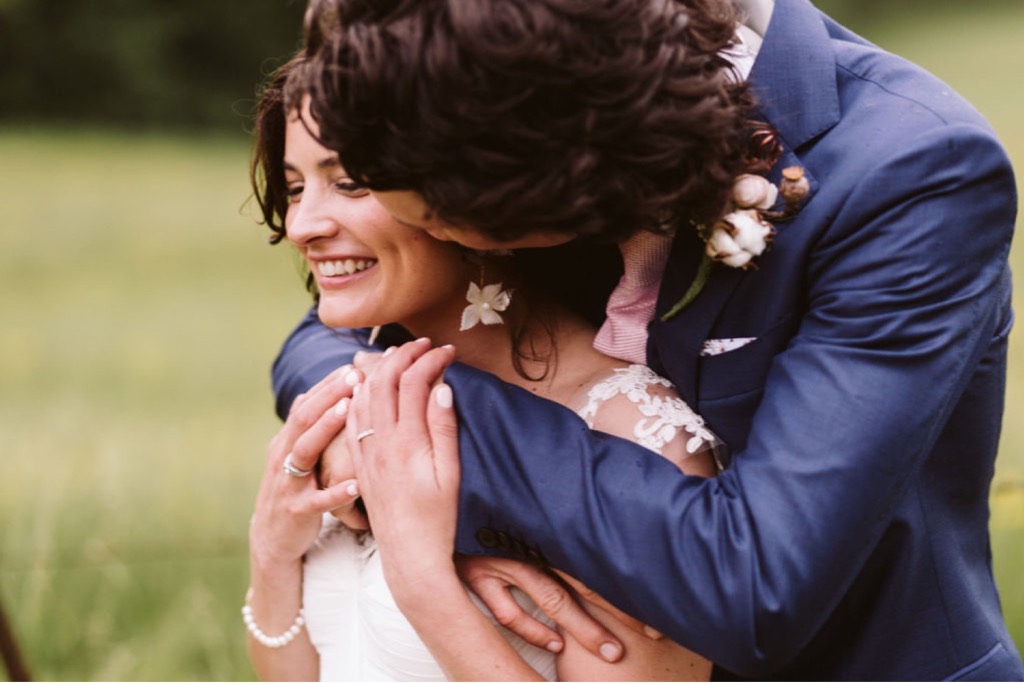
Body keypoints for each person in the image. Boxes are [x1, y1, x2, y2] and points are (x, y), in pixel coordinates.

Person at [273, 0, 1024, 679]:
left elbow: (754, 585)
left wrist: (415, 419)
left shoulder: (912, 171)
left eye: (441, 218)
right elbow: (330, 329)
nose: (433, 235)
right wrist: (366, 416)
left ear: (567, 157)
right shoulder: (476, 97)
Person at [245, 53, 723, 681]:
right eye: (298, 186)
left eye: (353, 183)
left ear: (473, 198)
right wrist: (273, 548)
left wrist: (422, 579)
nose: (303, 225)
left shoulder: (644, 449)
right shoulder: (359, 391)